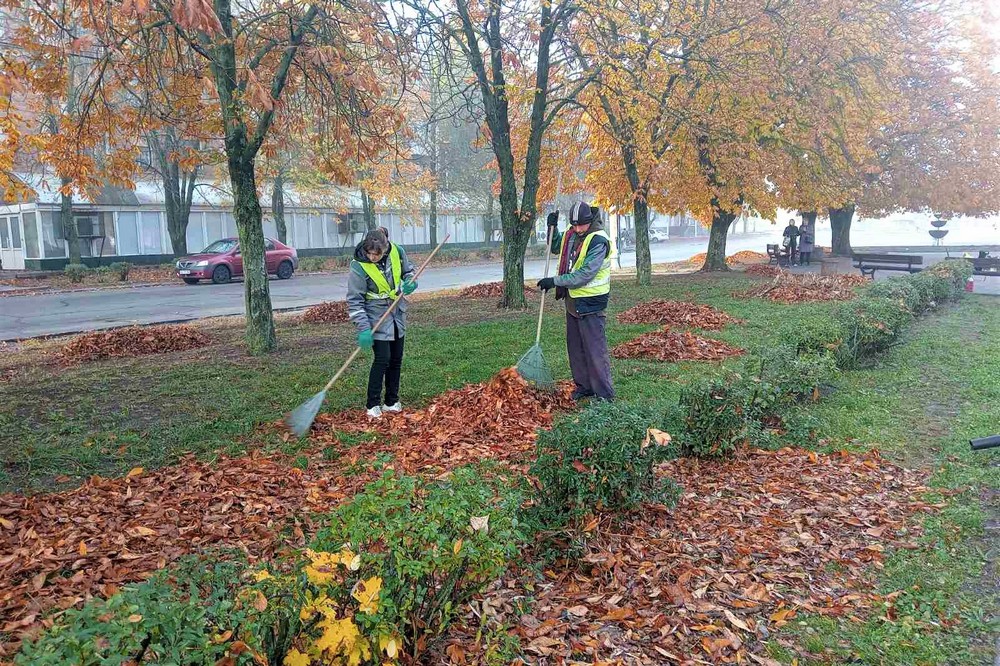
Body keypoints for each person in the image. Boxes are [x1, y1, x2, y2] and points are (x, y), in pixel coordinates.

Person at [536, 201, 616, 402]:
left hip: (591, 303)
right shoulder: (571, 235)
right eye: (574, 225)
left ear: (590, 220)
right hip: (573, 302)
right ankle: (584, 386)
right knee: (576, 347)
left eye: (581, 225)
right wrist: (551, 229)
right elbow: (556, 246)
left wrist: (554, 281)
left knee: (594, 349)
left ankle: (604, 394)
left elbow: (585, 274)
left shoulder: (599, 240)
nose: (578, 229)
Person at [347, 227, 417, 419]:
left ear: (385, 248)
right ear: (365, 248)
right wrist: (363, 329)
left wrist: (410, 282)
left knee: (396, 359)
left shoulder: (397, 251)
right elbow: (355, 301)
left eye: (377, 254)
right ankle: (372, 404)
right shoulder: (358, 266)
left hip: (397, 314)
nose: (373, 257)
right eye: (369, 254)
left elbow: (408, 271)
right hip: (375, 318)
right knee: (382, 359)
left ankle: (391, 401)